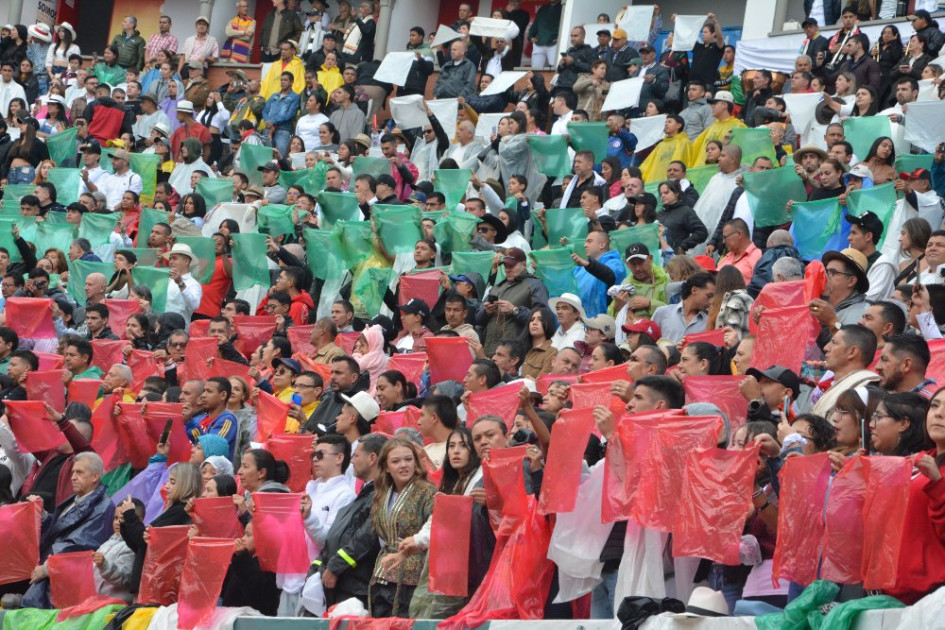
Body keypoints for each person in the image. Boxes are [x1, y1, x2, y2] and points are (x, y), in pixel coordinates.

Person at [20, 453, 114, 609]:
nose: (73, 477)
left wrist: (48, 567)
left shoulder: (103, 507)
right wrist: (42, 514)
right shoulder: (75, 500)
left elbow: (79, 544)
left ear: (95, 477)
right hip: (51, 567)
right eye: (73, 472)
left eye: (80, 472)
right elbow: (58, 530)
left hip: (64, 578)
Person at [312, 433, 386, 609]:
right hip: (343, 583)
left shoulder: (379, 495)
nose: (351, 460)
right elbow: (337, 536)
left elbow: (364, 539)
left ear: (372, 458)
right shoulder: (365, 494)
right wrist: (317, 567)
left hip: (355, 587)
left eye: (356, 455)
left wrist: (335, 567)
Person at [368, 438, 436, 617]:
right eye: (396, 461)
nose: (403, 465)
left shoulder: (428, 492)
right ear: (386, 467)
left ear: (416, 462)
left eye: (408, 459)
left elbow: (437, 526)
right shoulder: (382, 494)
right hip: (383, 574)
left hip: (413, 578)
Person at [478, 248, 549, 356]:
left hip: (515, 354)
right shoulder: (498, 286)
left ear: (524, 265)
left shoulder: (535, 285)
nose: (507, 270)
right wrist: (486, 312)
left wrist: (515, 310)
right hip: (489, 351)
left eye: (511, 266)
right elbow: (477, 318)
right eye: (506, 266)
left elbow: (543, 319)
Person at [652, 271, 716, 343]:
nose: (711, 301)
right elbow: (648, 341)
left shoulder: (708, 323)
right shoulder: (662, 313)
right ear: (694, 290)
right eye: (709, 296)